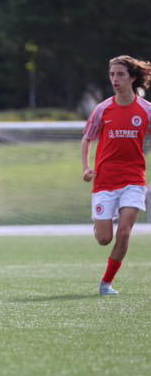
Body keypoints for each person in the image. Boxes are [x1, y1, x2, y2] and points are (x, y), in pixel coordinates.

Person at [81, 55, 151, 295]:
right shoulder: (102, 109)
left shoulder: (146, 110)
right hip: (104, 181)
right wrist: (86, 167)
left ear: (132, 78)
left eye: (120, 74)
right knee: (104, 238)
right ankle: (99, 224)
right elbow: (87, 138)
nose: (115, 79)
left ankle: (106, 283)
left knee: (124, 232)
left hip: (133, 180)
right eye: (112, 75)